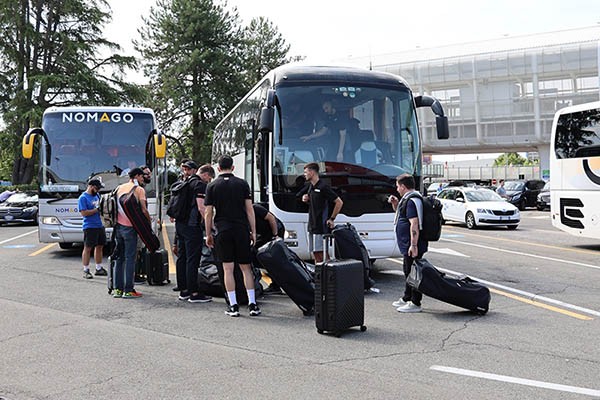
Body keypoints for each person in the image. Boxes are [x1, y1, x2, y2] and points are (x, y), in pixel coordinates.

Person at [205, 155, 260, 317]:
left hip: (222, 230)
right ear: (233, 167)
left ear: (218, 168)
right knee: (246, 268)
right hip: (241, 229)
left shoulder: (212, 186)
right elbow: (249, 210)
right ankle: (252, 304)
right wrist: (253, 231)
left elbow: (208, 212)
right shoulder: (242, 184)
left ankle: (233, 305)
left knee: (227, 269)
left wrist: (209, 233)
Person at [173, 160, 212, 303]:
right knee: (192, 259)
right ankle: (194, 293)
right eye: (209, 179)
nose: (209, 181)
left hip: (180, 225)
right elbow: (202, 208)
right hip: (192, 226)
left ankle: (183, 291)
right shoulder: (199, 185)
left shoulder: (184, 183)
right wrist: (211, 226)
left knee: (182, 257)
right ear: (206, 175)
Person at [388, 173, 428, 313]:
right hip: (408, 243)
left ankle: (415, 302)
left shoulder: (412, 201)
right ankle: (407, 297)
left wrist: (414, 245)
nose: (397, 189)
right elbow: (403, 215)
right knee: (408, 270)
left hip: (413, 244)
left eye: (398, 186)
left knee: (413, 272)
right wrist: (396, 204)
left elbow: (414, 223)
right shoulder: (407, 199)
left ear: (403, 186)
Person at [112, 168, 149, 298]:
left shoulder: (119, 188)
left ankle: (117, 289)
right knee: (130, 258)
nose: (143, 179)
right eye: (142, 176)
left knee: (119, 258)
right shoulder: (139, 190)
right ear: (137, 176)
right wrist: (148, 223)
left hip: (118, 227)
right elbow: (144, 210)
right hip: (131, 228)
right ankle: (128, 290)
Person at [298, 162, 343, 263]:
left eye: (306, 172)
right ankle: (319, 275)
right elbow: (315, 202)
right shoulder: (311, 187)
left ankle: (328, 274)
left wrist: (332, 219)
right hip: (312, 225)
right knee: (315, 253)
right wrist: (307, 199)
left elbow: (339, 202)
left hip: (321, 226)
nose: (304, 174)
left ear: (312, 172)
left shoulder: (323, 187)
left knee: (322, 253)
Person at [78, 179, 108, 279]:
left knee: (100, 246)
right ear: (91, 186)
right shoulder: (83, 198)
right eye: (97, 188)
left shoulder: (97, 196)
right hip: (89, 226)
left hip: (99, 225)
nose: (98, 190)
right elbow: (84, 213)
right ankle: (86, 270)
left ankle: (98, 268)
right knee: (88, 248)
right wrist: (96, 210)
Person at [253, 203, 285, 294]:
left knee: (272, 258)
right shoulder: (243, 214)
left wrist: (275, 236)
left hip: (275, 230)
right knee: (256, 254)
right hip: (264, 234)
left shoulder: (255, 208)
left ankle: (276, 285)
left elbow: (271, 218)